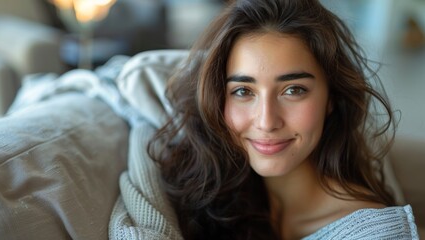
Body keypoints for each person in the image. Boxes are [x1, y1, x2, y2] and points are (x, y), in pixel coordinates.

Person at [145, 0, 419, 239]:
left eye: (293, 90)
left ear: (331, 98)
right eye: (243, 91)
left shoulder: (372, 233)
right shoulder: (214, 195)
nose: (266, 121)